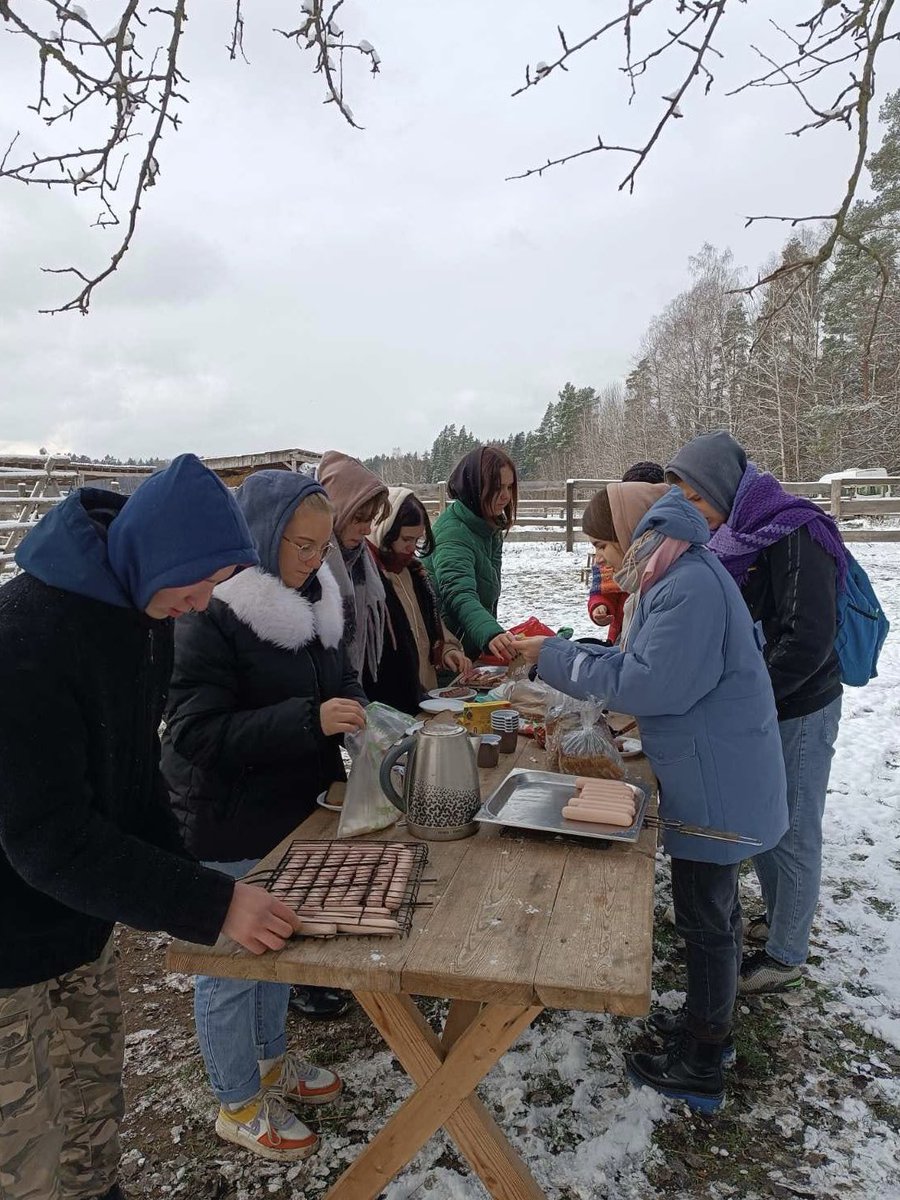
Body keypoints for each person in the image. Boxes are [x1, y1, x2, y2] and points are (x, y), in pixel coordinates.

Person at [0, 455, 304, 1200]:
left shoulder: (146, 617)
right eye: (198, 584)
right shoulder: (25, 641)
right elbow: (46, 836)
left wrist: (193, 885)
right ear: (158, 557)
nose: (202, 606)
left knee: (91, 1117)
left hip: (76, 920)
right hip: (7, 932)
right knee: (23, 1155)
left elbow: (138, 784)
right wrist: (210, 904)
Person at [517, 484, 788, 1112]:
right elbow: (644, 663)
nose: (601, 562)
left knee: (706, 915)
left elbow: (648, 684)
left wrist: (553, 657)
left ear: (637, 536)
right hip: (715, 767)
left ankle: (701, 1056)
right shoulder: (676, 574)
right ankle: (707, 1026)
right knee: (709, 912)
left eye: (604, 546)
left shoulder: (687, 586)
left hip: (717, 779)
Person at [160, 469, 365, 1160]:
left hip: (290, 811)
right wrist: (310, 721)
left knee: (276, 944)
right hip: (227, 817)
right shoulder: (215, 612)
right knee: (228, 966)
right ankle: (238, 1100)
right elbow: (193, 734)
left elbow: (340, 679)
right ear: (262, 535)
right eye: (300, 546)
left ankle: (273, 1062)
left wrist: (355, 708)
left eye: (321, 546)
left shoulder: (319, 601)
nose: (314, 560)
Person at [666, 432, 847, 994]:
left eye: (695, 499)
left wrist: (745, 697)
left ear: (722, 487)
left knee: (791, 826)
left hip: (800, 703)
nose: (690, 512)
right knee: (771, 821)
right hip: (767, 705)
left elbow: (807, 638)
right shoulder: (738, 533)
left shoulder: (794, 533)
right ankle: (781, 918)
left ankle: (787, 955)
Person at [365, 488, 472, 712]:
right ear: (385, 530)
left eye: (417, 539)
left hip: (425, 700)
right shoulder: (368, 579)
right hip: (388, 708)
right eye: (406, 539)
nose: (412, 548)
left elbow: (428, 628)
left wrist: (448, 651)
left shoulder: (414, 573)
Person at [424, 446, 519, 662]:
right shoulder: (453, 533)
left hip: (469, 647)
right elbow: (458, 593)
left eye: (509, 486)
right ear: (475, 487)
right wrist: (491, 633)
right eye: (497, 487)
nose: (505, 496)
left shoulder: (487, 527)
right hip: (448, 655)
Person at [316, 451, 390, 685]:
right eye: (358, 518)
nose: (367, 530)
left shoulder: (362, 561)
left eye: (371, 520)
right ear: (336, 511)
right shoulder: (311, 569)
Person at [587, 462, 666, 643]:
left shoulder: (668, 555)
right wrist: (600, 606)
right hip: (621, 633)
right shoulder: (615, 545)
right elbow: (601, 591)